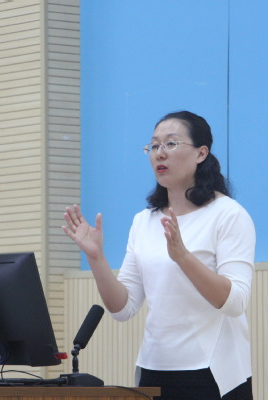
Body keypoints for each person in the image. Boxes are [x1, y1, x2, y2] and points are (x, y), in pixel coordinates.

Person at [63, 110, 255, 400]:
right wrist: (96, 257)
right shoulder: (144, 221)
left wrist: (183, 257)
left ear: (201, 153)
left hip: (213, 372)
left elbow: (235, 302)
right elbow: (122, 308)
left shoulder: (228, 214)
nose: (159, 153)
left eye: (171, 144)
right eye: (153, 146)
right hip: (154, 368)